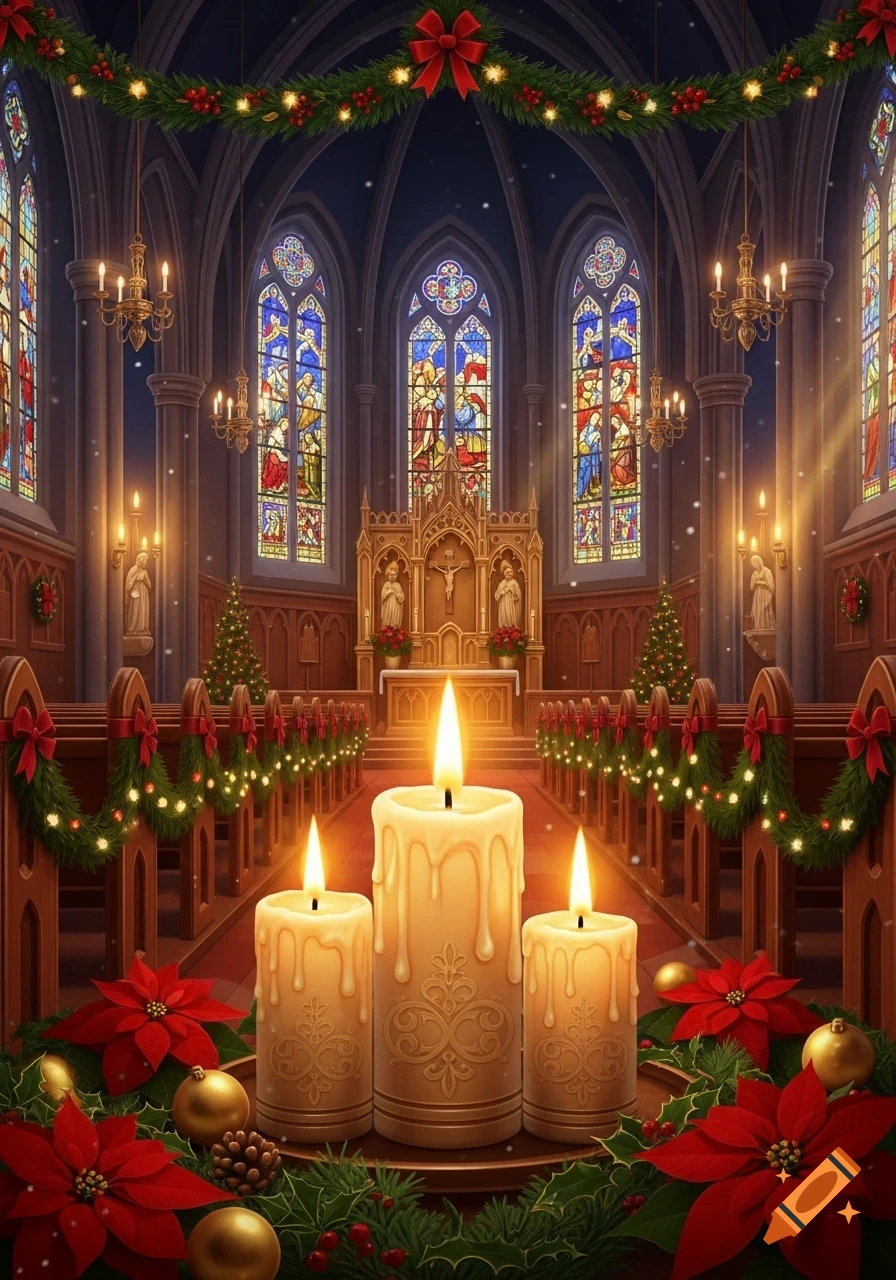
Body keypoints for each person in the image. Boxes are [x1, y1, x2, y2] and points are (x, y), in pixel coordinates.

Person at [125, 551, 152, 636]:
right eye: (144, 560)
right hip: (135, 591)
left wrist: (145, 581)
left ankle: (142, 629)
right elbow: (128, 582)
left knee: (142, 609)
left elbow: (149, 584)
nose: (145, 562)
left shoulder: (144, 572)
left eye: (146, 561)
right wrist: (128, 590)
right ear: (139, 560)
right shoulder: (133, 569)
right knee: (135, 608)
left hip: (144, 592)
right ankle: (132, 628)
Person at [750, 554, 776, 631]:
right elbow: (751, 587)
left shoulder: (766, 571)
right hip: (757, 594)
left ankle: (766, 627)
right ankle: (758, 627)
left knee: (764, 610)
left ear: (759, 562)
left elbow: (771, 585)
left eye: (755, 563)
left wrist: (760, 582)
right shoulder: (754, 573)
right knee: (758, 610)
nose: (754, 565)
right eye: (753, 564)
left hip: (765, 593)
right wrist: (755, 581)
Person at [495, 561, 521, 629]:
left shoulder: (514, 583)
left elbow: (518, 595)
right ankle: (503, 628)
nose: (509, 574)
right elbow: (497, 596)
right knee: (504, 616)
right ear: (504, 574)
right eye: (507, 572)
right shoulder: (502, 583)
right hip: (503, 603)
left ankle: (512, 628)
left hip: (512, 604)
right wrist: (500, 593)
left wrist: (515, 597)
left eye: (510, 572)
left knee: (510, 616)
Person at [380, 563, 404, 628]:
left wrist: (397, 594)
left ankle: (395, 627)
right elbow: (382, 597)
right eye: (391, 575)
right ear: (388, 575)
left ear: (396, 576)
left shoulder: (398, 585)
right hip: (387, 606)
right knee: (387, 617)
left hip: (396, 606)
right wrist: (388, 592)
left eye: (394, 575)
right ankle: (386, 628)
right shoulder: (386, 585)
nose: (392, 576)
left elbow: (401, 598)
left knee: (394, 617)